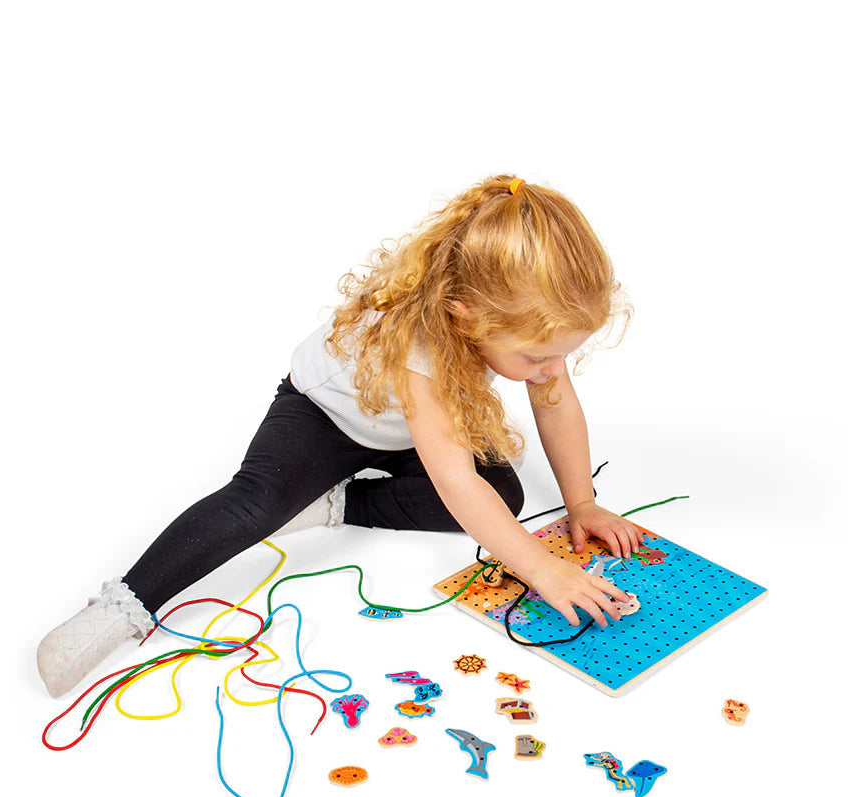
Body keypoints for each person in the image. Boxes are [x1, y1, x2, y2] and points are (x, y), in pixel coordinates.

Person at [37, 173, 644, 698]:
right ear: (467, 314)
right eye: (536, 356)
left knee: (504, 497)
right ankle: (121, 606)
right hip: (324, 417)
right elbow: (455, 480)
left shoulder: (525, 330)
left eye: (560, 354)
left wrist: (582, 503)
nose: (549, 369)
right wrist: (542, 569)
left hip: (409, 433)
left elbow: (554, 404)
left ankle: (334, 503)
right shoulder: (420, 342)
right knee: (254, 504)